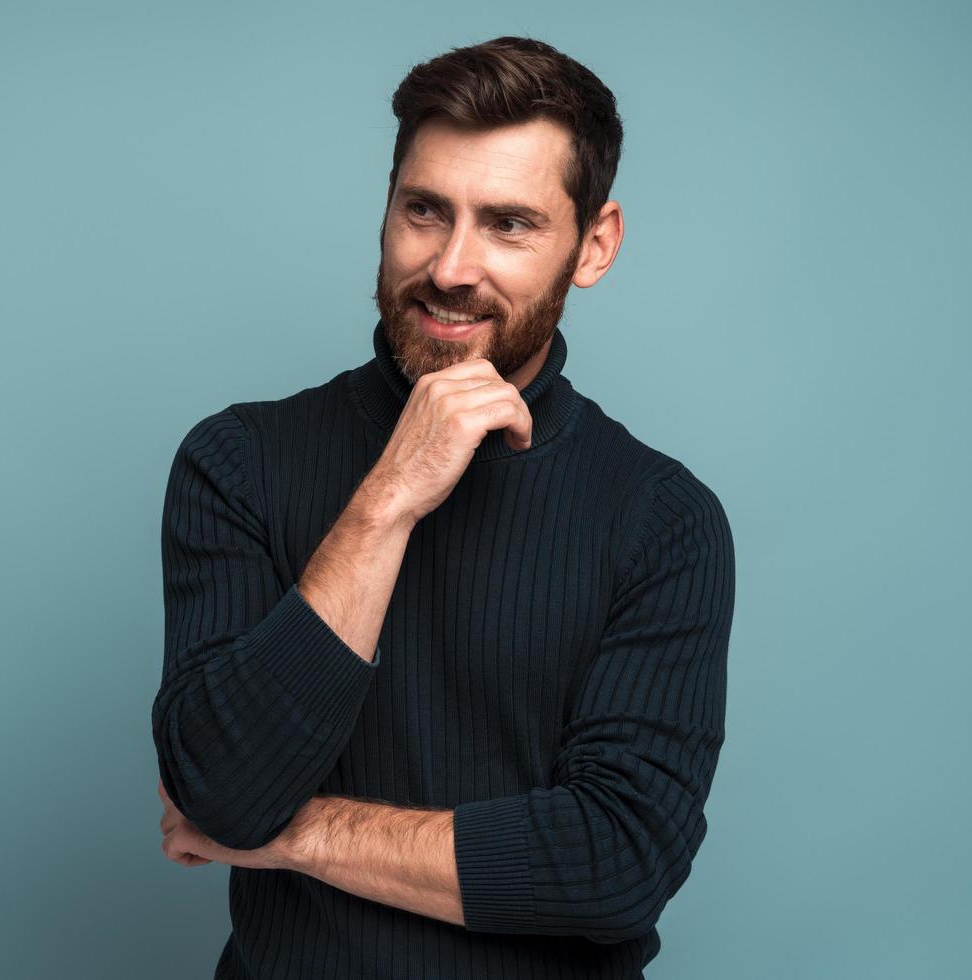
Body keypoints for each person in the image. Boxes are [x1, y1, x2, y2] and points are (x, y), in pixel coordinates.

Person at [152, 35, 735, 980]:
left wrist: (290, 838)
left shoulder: (662, 519)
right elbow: (219, 789)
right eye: (425, 211)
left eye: (508, 224)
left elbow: (616, 862)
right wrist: (388, 499)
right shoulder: (239, 460)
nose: (453, 267)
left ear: (595, 245)